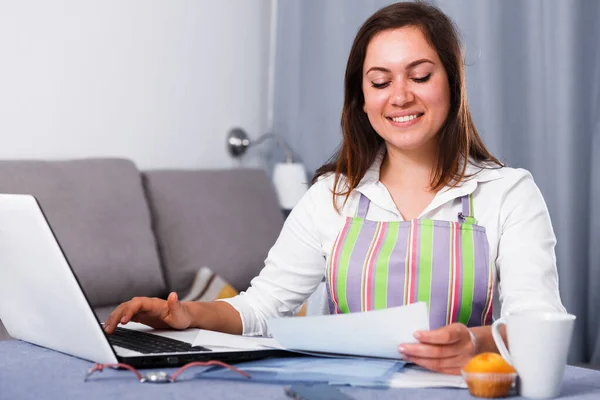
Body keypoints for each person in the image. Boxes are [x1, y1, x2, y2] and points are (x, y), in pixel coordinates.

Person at [103, 1, 566, 375]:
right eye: (380, 82)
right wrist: (189, 316)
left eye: (420, 76)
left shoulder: (507, 193)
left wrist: (474, 343)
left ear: (453, 82)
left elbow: (537, 325)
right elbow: (263, 307)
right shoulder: (332, 195)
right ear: (362, 101)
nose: (400, 95)